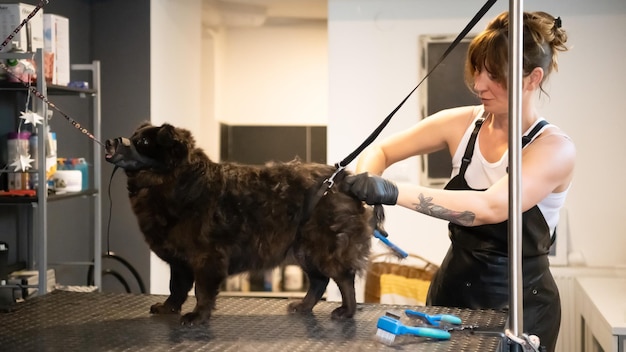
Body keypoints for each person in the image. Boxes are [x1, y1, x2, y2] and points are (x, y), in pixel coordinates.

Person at [344, 11, 574, 352]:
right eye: (477, 70)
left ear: (532, 78)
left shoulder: (553, 149)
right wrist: (367, 191)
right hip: (450, 294)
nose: (479, 84)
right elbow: (381, 149)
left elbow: (489, 207)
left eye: (494, 75)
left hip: (522, 305)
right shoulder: (462, 125)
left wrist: (392, 192)